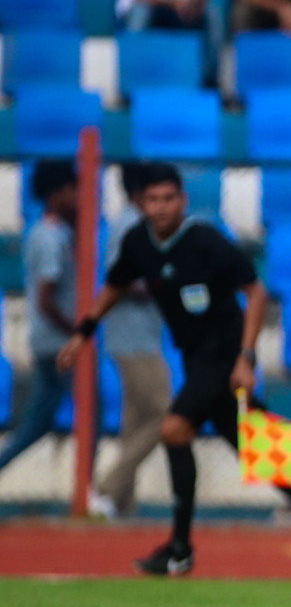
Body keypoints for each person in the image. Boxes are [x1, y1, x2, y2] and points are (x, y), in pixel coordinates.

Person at [59, 164, 291, 578]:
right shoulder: (138, 243)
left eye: (169, 199)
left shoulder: (203, 240)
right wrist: (83, 333)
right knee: (255, 449)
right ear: (141, 203)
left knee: (174, 429)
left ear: (182, 201)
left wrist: (247, 357)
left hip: (222, 356)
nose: (161, 207)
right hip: (194, 358)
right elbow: (114, 284)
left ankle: (181, 549)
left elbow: (254, 291)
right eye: (153, 200)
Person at [91, 163, 172, 519]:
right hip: (133, 340)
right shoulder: (128, 227)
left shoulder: (137, 226)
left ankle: (121, 505)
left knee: (135, 424)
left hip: (141, 336)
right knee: (166, 415)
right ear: (139, 193)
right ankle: (106, 487)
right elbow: (120, 281)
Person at [0, 161, 80, 476]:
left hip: (49, 341)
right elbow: (47, 298)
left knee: (37, 424)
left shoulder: (53, 232)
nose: (80, 197)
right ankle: (91, 493)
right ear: (57, 193)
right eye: (74, 190)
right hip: (60, 344)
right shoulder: (50, 236)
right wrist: (76, 332)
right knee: (91, 415)